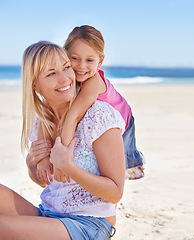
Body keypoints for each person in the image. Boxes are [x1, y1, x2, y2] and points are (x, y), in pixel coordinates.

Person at [0, 41, 125, 239]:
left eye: (67, 67)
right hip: (48, 214)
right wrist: (31, 164)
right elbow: (44, 182)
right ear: (35, 85)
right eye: (51, 74)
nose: (65, 78)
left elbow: (115, 193)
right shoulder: (40, 122)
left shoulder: (98, 117)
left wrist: (68, 166)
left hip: (90, 224)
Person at [37, 25, 145, 184]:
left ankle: (111, 207)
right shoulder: (68, 80)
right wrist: (41, 159)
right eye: (74, 58)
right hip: (96, 122)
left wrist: (61, 163)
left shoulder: (94, 82)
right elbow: (46, 113)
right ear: (65, 55)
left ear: (100, 61)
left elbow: (73, 115)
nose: (81, 66)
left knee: (111, 169)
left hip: (123, 122)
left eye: (89, 60)